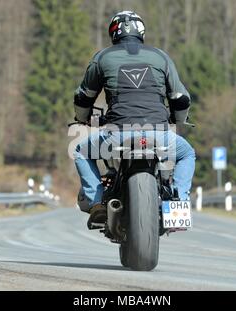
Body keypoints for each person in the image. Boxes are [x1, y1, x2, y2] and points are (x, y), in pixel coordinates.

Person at [73, 11, 196, 228]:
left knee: (80, 151)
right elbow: (180, 97)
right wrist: (178, 120)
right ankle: (178, 203)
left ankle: (96, 204)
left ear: (113, 33)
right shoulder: (161, 57)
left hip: (117, 134)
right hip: (158, 133)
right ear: (142, 32)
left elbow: (83, 97)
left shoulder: (102, 58)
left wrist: (82, 119)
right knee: (187, 153)